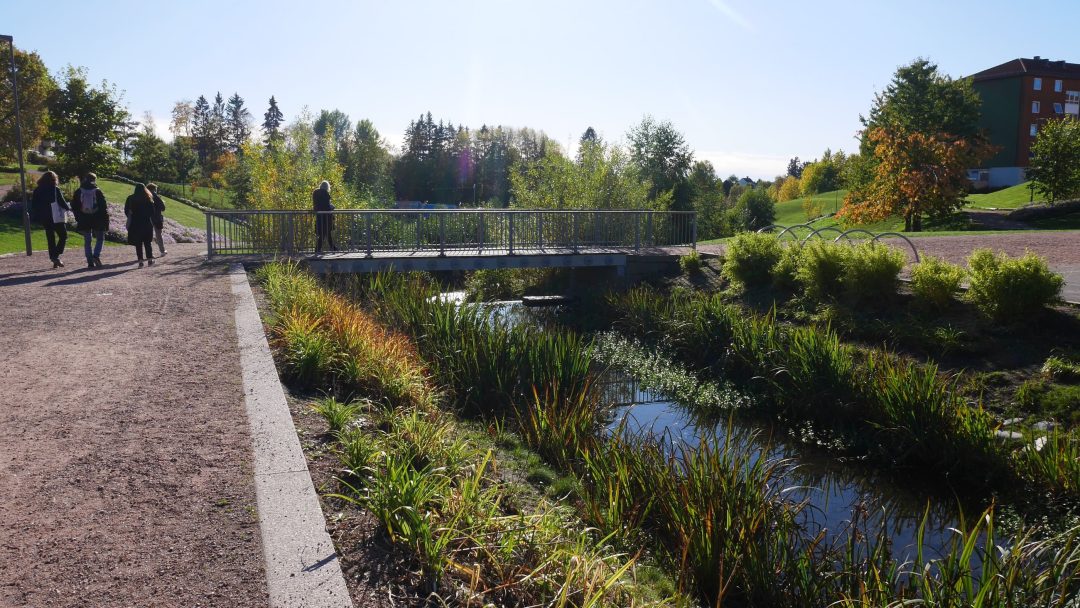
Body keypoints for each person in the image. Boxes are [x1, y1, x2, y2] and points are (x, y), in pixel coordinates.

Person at [29, 171, 71, 268]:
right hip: (55, 216)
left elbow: (34, 204)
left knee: (50, 237)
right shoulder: (55, 189)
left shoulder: (38, 190)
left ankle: (53, 257)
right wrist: (69, 209)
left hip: (44, 217)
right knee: (63, 236)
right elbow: (61, 202)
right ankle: (55, 255)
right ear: (54, 179)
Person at [72, 173, 110, 269]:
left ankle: (89, 261)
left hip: (84, 218)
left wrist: (78, 217)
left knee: (87, 240)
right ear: (94, 180)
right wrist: (105, 219)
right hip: (97, 218)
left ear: (85, 179)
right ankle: (96, 256)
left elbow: (74, 206)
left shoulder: (79, 191)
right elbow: (103, 206)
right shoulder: (97, 191)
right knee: (100, 238)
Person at [124, 183, 156, 267]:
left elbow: (126, 210)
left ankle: (140, 261)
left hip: (135, 223)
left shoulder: (130, 198)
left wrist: (131, 215)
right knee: (147, 243)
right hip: (146, 223)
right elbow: (152, 212)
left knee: (138, 243)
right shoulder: (148, 198)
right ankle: (149, 259)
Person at [312, 180, 336, 253]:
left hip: (319, 216)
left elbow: (317, 205)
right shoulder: (325, 193)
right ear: (327, 187)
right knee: (324, 233)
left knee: (326, 232)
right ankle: (317, 249)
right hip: (326, 217)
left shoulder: (315, 193)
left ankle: (333, 247)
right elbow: (327, 206)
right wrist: (332, 207)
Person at [146, 183, 167, 256]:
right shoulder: (156, 196)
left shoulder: (145, 196)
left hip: (147, 217)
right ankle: (162, 251)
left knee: (148, 236)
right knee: (158, 235)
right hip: (156, 218)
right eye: (156, 189)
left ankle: (149, 253)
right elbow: (163, 208)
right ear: (153, 189)